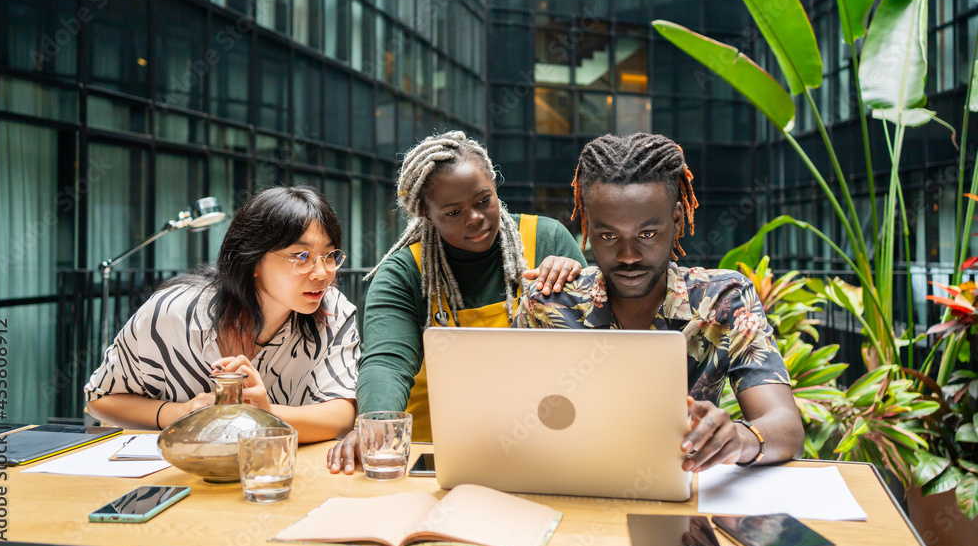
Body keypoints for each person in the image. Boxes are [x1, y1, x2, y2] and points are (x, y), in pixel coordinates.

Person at [513, 133, 804, 472]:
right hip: (567, 487)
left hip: (679, 492)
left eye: (647, 234)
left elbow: (786, 427)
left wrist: (740, 439)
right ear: (587, 228)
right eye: (608, 236)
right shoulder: (549, 303)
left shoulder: (724, 299)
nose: (629, 256)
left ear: (677, 221)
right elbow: (515, 424)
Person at [327, 131, 587, 473]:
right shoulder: (404, 272)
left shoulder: (547, 240)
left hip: (542, 447)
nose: (475, 217)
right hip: (432, 455)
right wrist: (375, 426)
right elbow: (387, 363)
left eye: (483, 200)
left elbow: (591, 352)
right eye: (452, 212)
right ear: (425, 212)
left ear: (494, 186)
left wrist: (578, 284)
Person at [85, 185, 359, 443]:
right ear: (252, 261)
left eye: (330, 255)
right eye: (302, 256)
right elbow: (100, 399)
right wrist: (180, 413)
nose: (323, 273)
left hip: (274, 476)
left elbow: (342, 415)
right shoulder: (171, 314)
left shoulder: (333, 311)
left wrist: (265, 414)